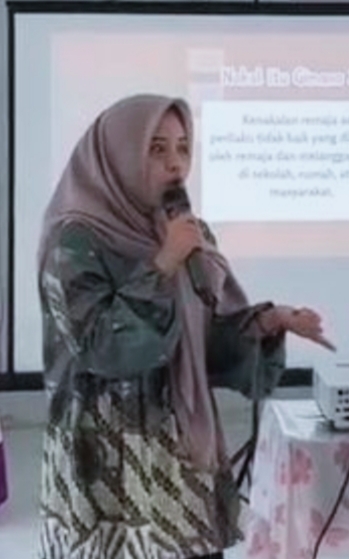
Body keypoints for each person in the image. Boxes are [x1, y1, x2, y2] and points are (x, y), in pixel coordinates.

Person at [36, 94, 333, 559]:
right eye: (156, 149)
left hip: (180, 460)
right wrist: (162, 266)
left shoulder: (188, 235)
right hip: (107, 467)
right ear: (118, 156)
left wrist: (268, 321)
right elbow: (98, 346)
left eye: (183, 148)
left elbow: (199, 344)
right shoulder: (74, 241)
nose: (175, 164)